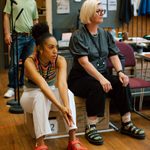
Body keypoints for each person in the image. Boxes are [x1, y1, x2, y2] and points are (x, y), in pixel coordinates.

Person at [67, 0, 145, 146]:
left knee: (122, 82)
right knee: (97, 85)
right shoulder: (78, 36)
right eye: (99, 11)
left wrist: (120, 72)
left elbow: (113, 55)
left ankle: (126, 123)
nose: (103, 13)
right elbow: (84, 62)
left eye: (103, 11)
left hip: (100, 74)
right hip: (80, 78)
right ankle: (91, 127)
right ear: (89, 13)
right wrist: (102, 79)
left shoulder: (105, 34)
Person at [20, 22, 87, 150]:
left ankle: (73, 140)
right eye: (50, 47)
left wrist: (66, 107)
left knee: (68, 93)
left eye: (56, 47)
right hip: (30, 96)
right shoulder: (30, 62)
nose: (55, 51)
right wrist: (61, 107)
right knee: (40, 95)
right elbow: (42, 85)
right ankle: (40, 144)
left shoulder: (60, 60)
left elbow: (62, 84)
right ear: (40, 48)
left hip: (49, 95)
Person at [3, 0, 38, 98]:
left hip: (31, 37)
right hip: (17, 36)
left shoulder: (33, 2)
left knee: (28, 63)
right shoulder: (11, 1)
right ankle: (12, 87)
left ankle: (23, 84)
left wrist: (37, 36)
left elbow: (35, 20)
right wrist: (6, 33)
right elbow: (6, 16)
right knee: (14, 63)